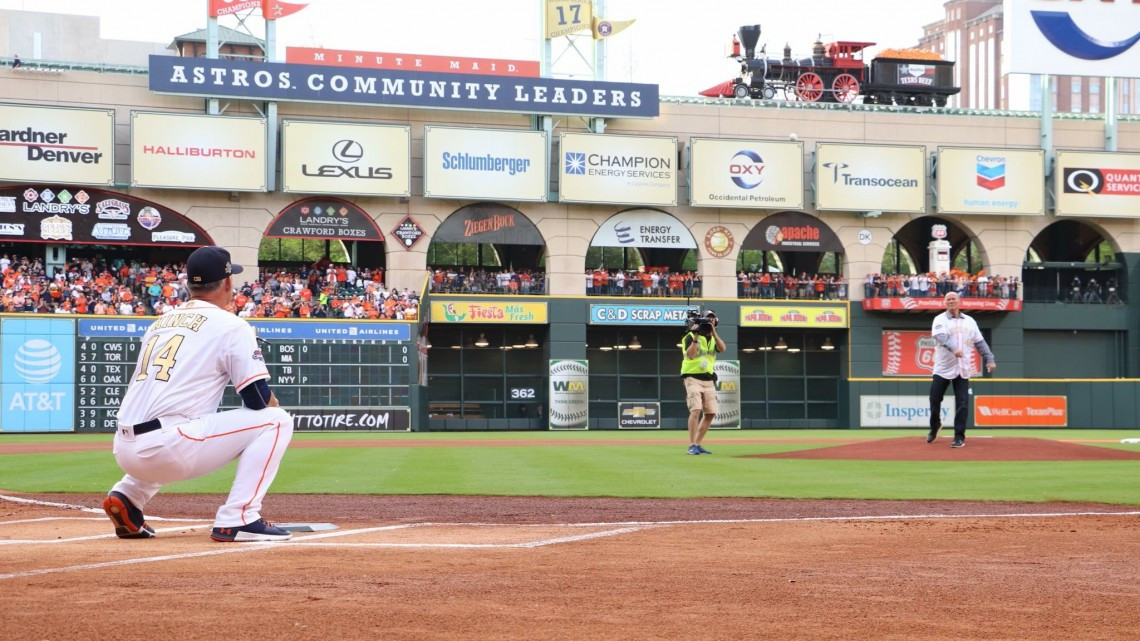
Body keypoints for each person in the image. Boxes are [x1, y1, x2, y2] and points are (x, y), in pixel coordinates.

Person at [102, 246, 295, 542]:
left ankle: (128, 496)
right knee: (276, 420)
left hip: (124, 448)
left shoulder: (158, 323)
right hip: (167, 447)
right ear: (228, 283)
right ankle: (239, 518)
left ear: (189, 284)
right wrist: (272, 402)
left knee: (180, 422)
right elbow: (256, 399)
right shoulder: (231, 325)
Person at [927, 291, 997, 448]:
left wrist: (990, 358)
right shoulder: (939, 319)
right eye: (948, 299)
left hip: (963, 367)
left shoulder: (970, 321)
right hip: (943, 367)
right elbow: (940, 338)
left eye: (954, 299)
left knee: (963, 403)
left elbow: (980, 342)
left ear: (959, 302)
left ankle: (959, 436)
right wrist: (953, 348)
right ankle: (934, 426)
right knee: (934, 400)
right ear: (944, 303)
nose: (951, 301)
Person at [681, 309, 725, 455]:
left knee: (711, 412)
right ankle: (692, 444)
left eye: (712, 319)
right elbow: (691, 355)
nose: (710, 321)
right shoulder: (689, 336)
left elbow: (722, 349)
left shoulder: (713, 338)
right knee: (695, 410)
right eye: (707, 319)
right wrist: (695, 336)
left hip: (708, 379)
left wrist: (713, 333)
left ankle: (698, 444)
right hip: (692, 377)